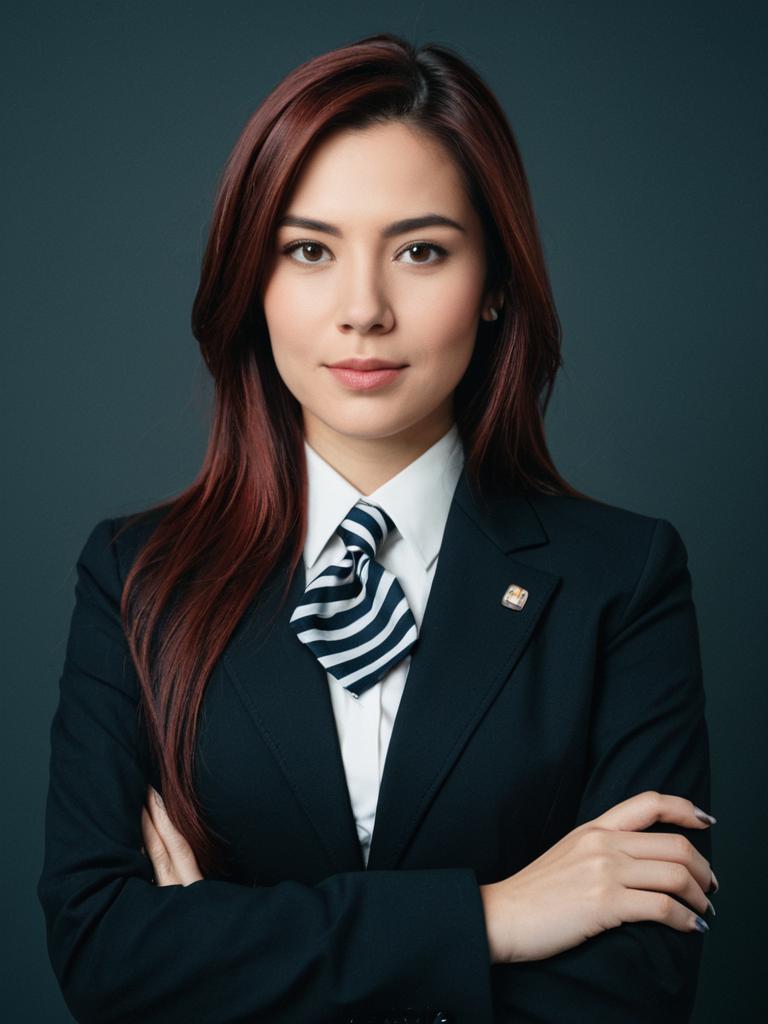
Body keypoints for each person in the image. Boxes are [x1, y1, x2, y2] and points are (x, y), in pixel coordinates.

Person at [37, 32, 716, 1024]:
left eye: (422, 251)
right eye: (309, 250)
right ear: (252, 284)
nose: (363, 309)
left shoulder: (622, 577)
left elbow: (632, 989)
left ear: (494, 285)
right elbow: (102, 951)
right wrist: (491, 917)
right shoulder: (137, 579)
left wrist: (223, 946)